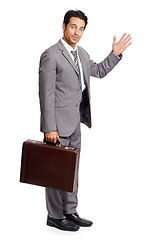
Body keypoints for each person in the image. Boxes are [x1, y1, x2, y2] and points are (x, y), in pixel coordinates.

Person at [39, 10, 132, 232]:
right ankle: (54, 216)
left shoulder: (81, 54)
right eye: (73, 27)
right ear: (63, 27)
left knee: (72, 170)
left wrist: (114, 54)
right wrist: (49, 127)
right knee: (54, 173)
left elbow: (98, 71)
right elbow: (46, 94)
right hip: (57, 127)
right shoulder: (51, 55)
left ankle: (70, 211)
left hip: (76, 123)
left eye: (81, 28)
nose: (77, 32)